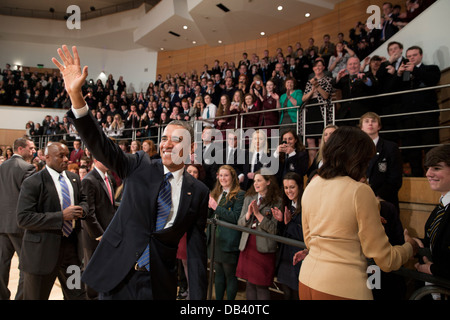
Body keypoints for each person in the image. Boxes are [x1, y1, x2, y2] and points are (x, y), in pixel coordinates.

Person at [53, 45, 209, 300]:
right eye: (164, 137)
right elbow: (101, 146)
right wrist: (76, 97)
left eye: (176, 139)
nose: (167, 144)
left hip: (158, 284)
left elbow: (196, 249)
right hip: (117, 277)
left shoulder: (199, 192)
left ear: (191, 148)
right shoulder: (139, 165)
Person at [295, 126, 418, 300]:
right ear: (357, 159)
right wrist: (409, 247)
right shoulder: (360, 191)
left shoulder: (312, 185)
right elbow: (386, 259)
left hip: (307, 280)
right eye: (367, 160)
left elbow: (309, 240)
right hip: (342, 287)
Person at [16, 142, 88, 300]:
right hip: (42, 255)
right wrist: (61, 216)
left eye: (67, 156)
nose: (66, 159)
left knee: (77, 295)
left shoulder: (74, 178)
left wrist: (83, 210)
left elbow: (84, 201)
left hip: (71, 254)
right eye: (60, 156)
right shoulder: (33, 182)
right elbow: (24, 218)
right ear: (46, 157)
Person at [396, 46, 441, 177]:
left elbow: (433, 80)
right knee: (412, 150)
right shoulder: (403, 74)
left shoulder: (431, 68)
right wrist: (398, 75)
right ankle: (417, 176)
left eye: (414, 55)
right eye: (409, 56)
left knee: (431, 148)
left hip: (427, 116)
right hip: (409, 118)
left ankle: (434, 176)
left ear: (421, 55)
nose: (411, 58)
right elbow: (394, 92)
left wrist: (415, 70)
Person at [236, 172, 282, 300]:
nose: (255, 183)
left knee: (261, 285)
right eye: (255, 180)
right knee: (249, 283)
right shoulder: (249, 198)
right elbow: (240, 223)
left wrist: (258, 214)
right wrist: (248, 214)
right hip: (248, 244)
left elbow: (274, 229)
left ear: (268, 182)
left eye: (259, 180)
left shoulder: (277, 201)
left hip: (264, 247)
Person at [0, 138, 36, 300]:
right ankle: (20, 298)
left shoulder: (2, 166)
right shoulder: (28, 168)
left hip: (2, 224)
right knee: (26, 266)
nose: (34, 151)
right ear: (20, 149)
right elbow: (29, 198)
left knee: (2, 264)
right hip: (20, 225)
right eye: (31, 148)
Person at [80, 157, 117, 300]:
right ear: (95, 159)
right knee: (93, 270)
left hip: (108, 233)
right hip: (95, 236)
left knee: (105, 270)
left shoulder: (109, 178)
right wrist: (99, 235)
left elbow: (110, 208)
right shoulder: (89, 180)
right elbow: (88, 214)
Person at [207, 165, 245, 300]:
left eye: (226, 175)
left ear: (233, 177)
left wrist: (216, 207)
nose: (223, 178)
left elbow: (235, 217)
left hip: (229, 241)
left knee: (230, 275)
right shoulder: (216, 192)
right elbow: (210, 216)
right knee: (218, 274)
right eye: (221, 175)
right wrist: (207, 206)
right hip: (215, 239)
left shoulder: (240, 194)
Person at [414, 145, 450, 282]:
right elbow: (438, 240)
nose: (428, 173)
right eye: (428, 168)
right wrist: (417, 242)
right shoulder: (442, 206)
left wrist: (432, 269)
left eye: (436, 168)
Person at [360, 112, 403, 212]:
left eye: (373, 121)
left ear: (379, 126)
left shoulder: (390, 147)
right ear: (361, 127)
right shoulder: (355, 148)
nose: (370, 124)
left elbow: (395, 178)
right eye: (366, 121)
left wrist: (378, 196)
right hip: (361, 200)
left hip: (384, 201)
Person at [272, 172, 304, 300]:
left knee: (297, 294)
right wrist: (280, 222)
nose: (288, 191)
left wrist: (289, 223)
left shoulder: (307, 206)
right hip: (285, 257)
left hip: (299, 257)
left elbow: (305, 235)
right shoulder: (286, 205)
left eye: (292, 187)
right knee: (286, 292)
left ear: (300, 187)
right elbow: (281, 233)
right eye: (286, 188)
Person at [301, 60, 333, 165]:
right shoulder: (309, 82)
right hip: (310, 111)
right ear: (313, 69)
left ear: (323, 67)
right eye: (315, 66)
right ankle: (312, 167)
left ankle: (321, 164)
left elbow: (326, 96)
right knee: (310, 141)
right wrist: (312, 89)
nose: (317, 68)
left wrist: (318, 86)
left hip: (321, 111)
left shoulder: (327, 80)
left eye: (320, 66)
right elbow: (304, 98)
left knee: (320, 140)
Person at [333, 57, 374, 126]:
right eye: (350, 64)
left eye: (355, 64)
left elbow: (372, 84)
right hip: (345, 114)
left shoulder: (366, 75)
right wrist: (338, 77)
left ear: (359, 65)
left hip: (361, 113)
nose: (352, 66)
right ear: (347, 67)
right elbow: (334, 85)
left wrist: (364, 80)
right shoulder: (344, 78)